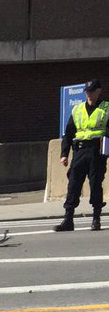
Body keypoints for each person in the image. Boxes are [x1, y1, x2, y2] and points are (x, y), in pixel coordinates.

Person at [56, 79, 109, 232]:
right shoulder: (77, 110)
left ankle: (96, 219)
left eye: (92, 91)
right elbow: (68, 133)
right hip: (79, 150)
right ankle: (68, 219)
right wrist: (64, 154)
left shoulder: (106, 108)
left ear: (99, 91)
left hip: (97, 151)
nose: (90, 94)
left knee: (95, 184)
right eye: (87, 91)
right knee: (73, 184)